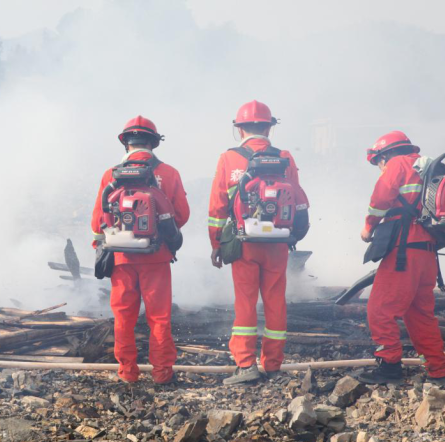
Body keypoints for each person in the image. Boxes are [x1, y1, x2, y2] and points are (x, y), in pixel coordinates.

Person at [208, 100, 309, 386]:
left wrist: (216, 243)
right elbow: (298, 199)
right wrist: (294, 235)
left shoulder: (228, 159)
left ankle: (245, 365)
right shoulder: (285, 157)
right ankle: (273, 364)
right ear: (269, 128)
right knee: (275, 302)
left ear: (240, 129)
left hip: (245, 243)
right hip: (277, 243)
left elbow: (217, 208)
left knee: (245, 302)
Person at [90, 116, 190, 384]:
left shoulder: (110, 175)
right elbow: (181, 215)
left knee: (123, 318)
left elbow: (97, 222)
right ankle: (162, 374)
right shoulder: (169, 173)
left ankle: (127, 373)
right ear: (153, 143)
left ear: (126, 143)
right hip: (156, 257)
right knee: (159, 318)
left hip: (121, 257)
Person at [357, 131, 445, 386]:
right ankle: (439, 371)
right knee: (421, 316)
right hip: (427, 253)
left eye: (378, 162)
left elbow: (380, 198)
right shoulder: (429, 167)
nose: (380, 168)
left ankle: (389, 367)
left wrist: (369, 227)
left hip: (404, 251)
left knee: (380, 310)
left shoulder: (398, 163)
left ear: (385, 155)